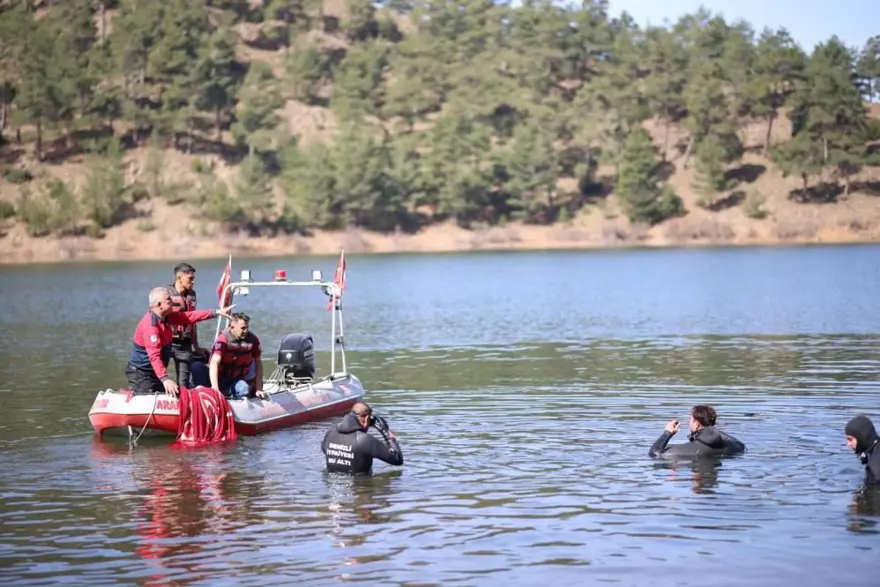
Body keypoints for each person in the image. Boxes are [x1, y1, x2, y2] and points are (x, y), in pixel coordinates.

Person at [126, 287, 234, 396]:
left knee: (171, 394)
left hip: (155, 372)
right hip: (142, 374)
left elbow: (189, 316)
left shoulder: (167, 317)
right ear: (159, 305)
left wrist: (215, 312)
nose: (173, 302)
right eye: (169, 299)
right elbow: (154, 356)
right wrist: (165, 379)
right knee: (150, 400)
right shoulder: (151, 327)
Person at [321, 402, 404, 475]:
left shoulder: (330, 432)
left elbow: (325, 450)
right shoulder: (365, 440)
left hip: (333, 489)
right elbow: (397, 460)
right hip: (361, 489)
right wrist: (386, 432)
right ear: (367, 419)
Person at [165, 262, 209, 389]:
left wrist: (196, 346)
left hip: (185, 343)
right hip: (167, 341)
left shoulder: (192, 295)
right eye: (190, 278)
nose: (193, 281)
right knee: (158, 374)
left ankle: (183, 400)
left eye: (194, 278)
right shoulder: (165, 294)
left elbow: (193, 321)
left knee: (183, 382)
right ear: (179, 278)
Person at [202, 312, 265, 399]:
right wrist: (215, 388)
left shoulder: (253, 340)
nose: (245, 331)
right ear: (232, 327)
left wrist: (259, 388)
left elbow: (258, 364)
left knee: (244, 388)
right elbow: (214, 362)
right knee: (196, 367)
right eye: (242, 328)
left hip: (236, 379)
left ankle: (235, 397)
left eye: (247, 327)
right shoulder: (223, 339)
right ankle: (206, 393)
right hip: (220, 378)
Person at [649, 405, 746, 458]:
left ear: (696, 424)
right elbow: (742, 445)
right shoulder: (736, 446)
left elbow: (655, 454)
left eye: (690, 420)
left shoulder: (686, 450)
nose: (688, 423)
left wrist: (667, 433)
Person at [845, 415, 880, 485]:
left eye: (850, 439)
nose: (848, 444)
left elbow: (873, 494)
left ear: (862, 438)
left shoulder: (874, 471)